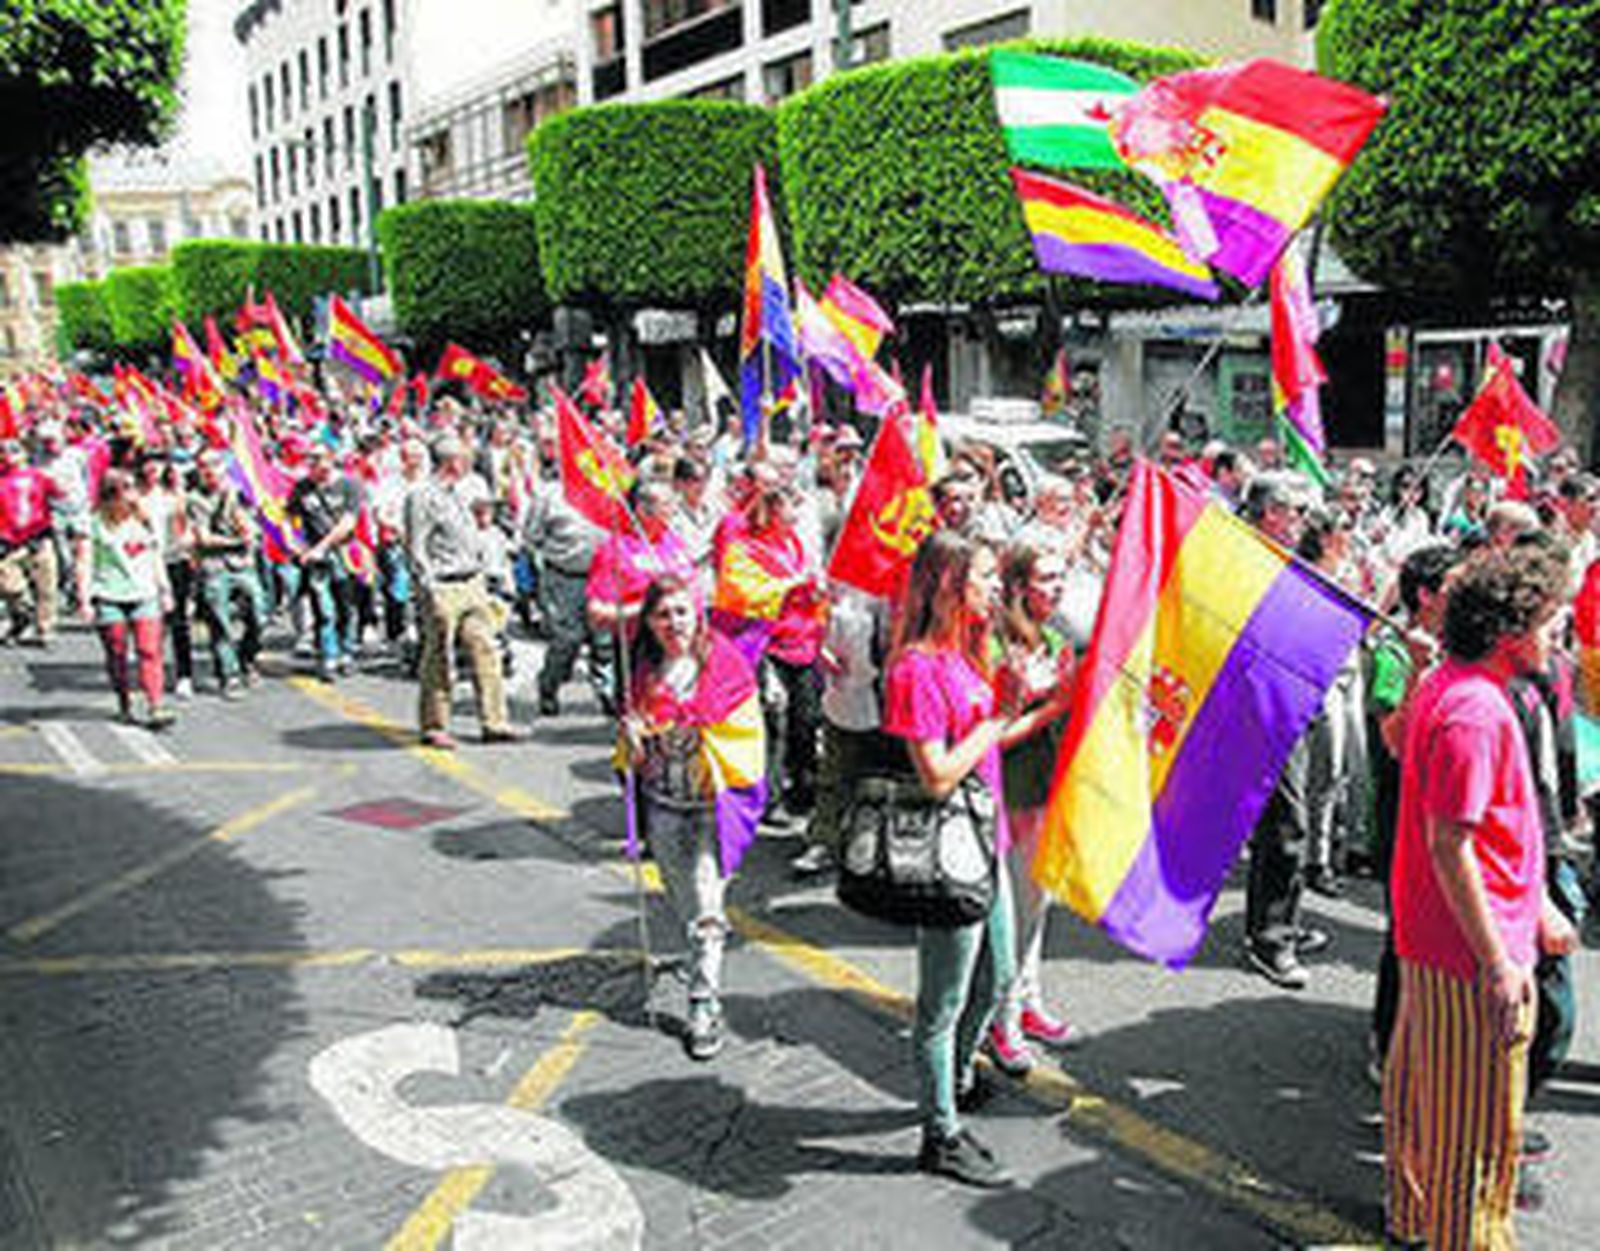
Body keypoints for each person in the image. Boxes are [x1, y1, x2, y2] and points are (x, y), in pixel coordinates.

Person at [1384, 545, 1578, 1250]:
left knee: (1422, 1110)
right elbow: (1450, 843)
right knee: (1474, 1141)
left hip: (1440, 939)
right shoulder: (1475, 710)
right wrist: (1499, 959)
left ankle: (1418, 1227)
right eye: (1550, 621)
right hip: (1466, 952)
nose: (1560, 635)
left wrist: (1537, 908)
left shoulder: (1450, 682)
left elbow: (1405, 744)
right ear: (1508, 632)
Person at [882, 530, 1020, 1189]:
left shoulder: (968, 652)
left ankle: (959, 1078)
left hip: (986, 842)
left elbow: (988, 737)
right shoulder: (915, 667)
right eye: (985, 576)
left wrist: (1048, 702)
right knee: (942, 1001)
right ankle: (940, 1131)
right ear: (948, 586)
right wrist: (996, 724)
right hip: (948, 854)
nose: (997, 587)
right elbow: (936, 771)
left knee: (999, 979)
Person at [620, 574, 764, 1061]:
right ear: (649, 622)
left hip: (710, 805)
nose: (673, 622)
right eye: (662, 614)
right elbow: (633, 757)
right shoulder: (641, 669)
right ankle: (702, 953)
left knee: (706, 908)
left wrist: (693, 720)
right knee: (683, 902)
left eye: (681, 611)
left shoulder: (722, 662)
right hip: (664, 804)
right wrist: (634, 736)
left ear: (697, 612)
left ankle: (703, 1001)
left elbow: (745, 728)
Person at [988, 538, 1080, 1073]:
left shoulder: (1057, 640)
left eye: (1061, 576)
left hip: (1045, 791)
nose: (1058, 586)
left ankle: (1027, 1002)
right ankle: (1000, 1020)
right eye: (1046, 578)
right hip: (1005, 797)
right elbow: (989, 738)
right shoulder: (995, 645)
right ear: (1019, 587)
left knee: (1034, 910)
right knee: (1003, 918)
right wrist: (1048, 708)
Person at [404, 433, 525, 750]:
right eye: (463, 458)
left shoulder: (460, 492)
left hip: (472, 581)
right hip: (444, 584)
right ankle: (434, 725)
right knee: (439, 656)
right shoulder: (422, 496)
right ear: (450, 461)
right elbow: (417, 546)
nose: (468, 462)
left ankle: (494, 720)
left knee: (486, 648)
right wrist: (428, 587)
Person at [74, 469, 175, 729]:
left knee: (149, 650)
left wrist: (165, 590)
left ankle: (156, 705)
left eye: (133, 493)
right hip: (108, 595)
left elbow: (155, 556)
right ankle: (124, 701)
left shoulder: (143, 519)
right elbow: (84, 562)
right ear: (110, 498)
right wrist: (84, 599)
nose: (131, 500)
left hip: (144, 593)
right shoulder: (91, 523)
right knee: (117, 652)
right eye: (124, 495)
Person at [525, 462, 610, 717]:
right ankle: (549, 685)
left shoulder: (605, 491)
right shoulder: (549, 495)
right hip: (563, 577)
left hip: (602, 576)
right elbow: (532, 536)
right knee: (567, 639)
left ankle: (607, 692)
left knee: (604, 641)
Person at [186, 449, 266, 700]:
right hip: (215, 566)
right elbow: (204, 537)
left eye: (213, 465)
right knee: (220, 622)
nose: (209, 471)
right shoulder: (195, 499)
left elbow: (257, 521)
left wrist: (249, 528)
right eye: (203, 466)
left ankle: (247, 657)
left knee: (258, 615)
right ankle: (228, 674)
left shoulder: (241, 491)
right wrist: (235, 540)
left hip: (243, 564)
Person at [286, 444, 362, 681]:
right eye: (312, 460)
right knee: (324, 607)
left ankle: (346, 652)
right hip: (316, 560)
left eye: (319, 459)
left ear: (331, 460)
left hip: (343, 553)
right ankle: (328, 655)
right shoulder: (302, 488)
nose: (315, 465)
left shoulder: (349, 485)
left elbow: (348, 523)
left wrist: (321, 547)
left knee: (346, 605)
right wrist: (294, 544)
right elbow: (288, 517)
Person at [0, 438, 62, 646]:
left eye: (14, 451)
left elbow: (61, 493)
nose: (9, 456)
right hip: (9, 541)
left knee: (47, 586)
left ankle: (46, 628)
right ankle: (22, 614)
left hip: (39, 536)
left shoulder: (39, 477)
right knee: (10, 585)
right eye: (5, 452)